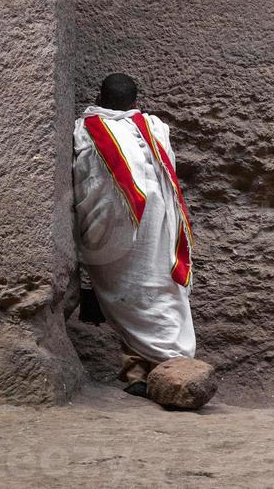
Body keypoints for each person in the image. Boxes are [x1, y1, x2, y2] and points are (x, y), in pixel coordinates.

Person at [73, 72, 195, 397]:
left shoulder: (86, 130)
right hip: (158, 232)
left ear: (100, 96)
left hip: (116, 235)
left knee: (128, 297)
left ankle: (137, 374)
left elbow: (85, 180)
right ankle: (159, 369)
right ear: (135, 102)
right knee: (157, 295)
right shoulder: (155, 129)